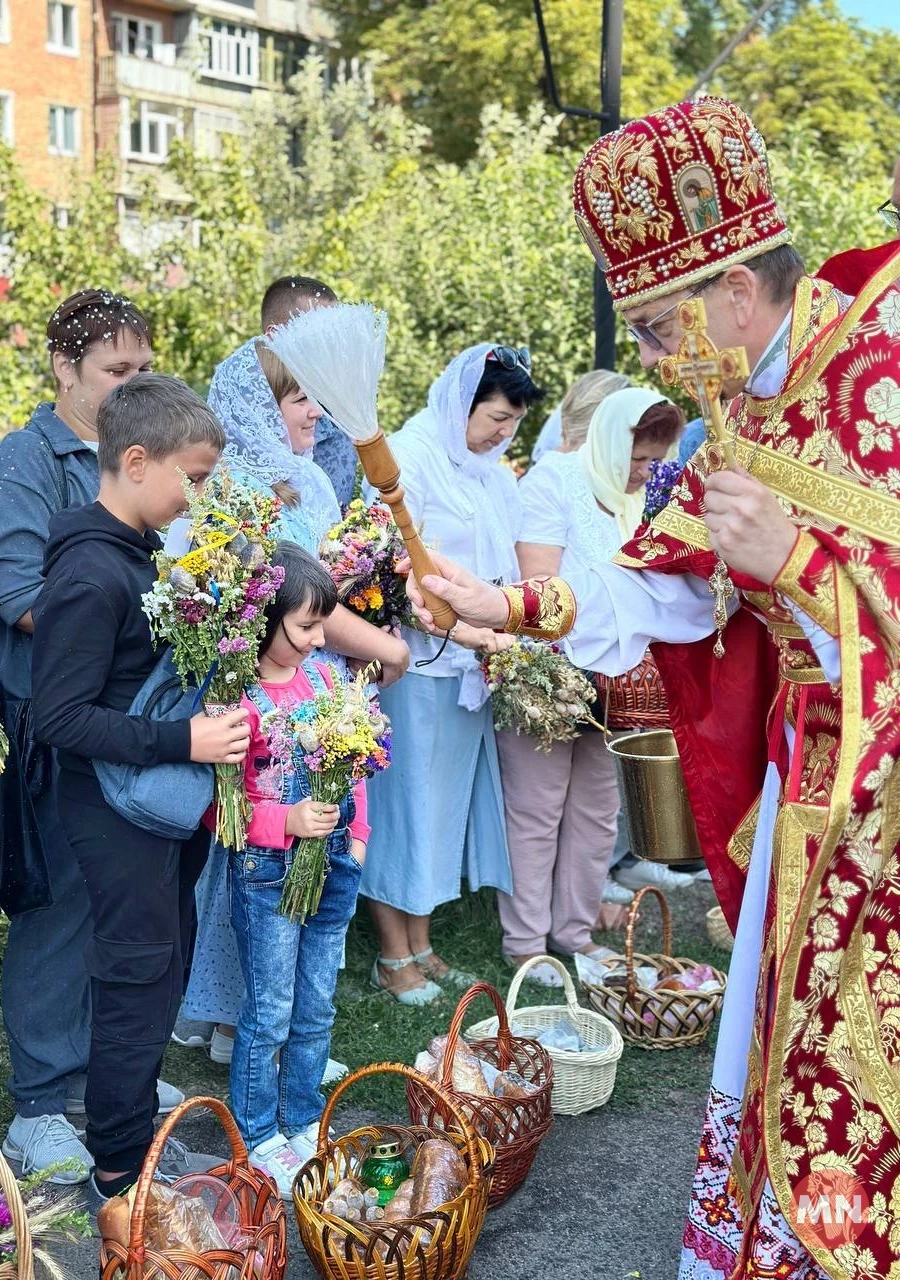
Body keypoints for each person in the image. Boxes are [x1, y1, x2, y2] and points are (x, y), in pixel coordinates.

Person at [406, 96, 900, 1278]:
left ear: (736, 286)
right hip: (814, 801)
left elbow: (809, 572)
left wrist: (799, 564)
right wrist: (506, 609)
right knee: (787, 1052)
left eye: (656, 323)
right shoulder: (729, 415)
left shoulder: (887, 361)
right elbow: (659, 595)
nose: (652, 358)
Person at [0, 289, 183, 1181]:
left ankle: (111, 1073)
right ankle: (38, 1104)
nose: (132, 384)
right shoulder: (23, 463)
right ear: (64, 368)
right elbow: (22, 599)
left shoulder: (135, 455)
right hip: (53, 729)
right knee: (59, 911)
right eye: (114, 371)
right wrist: (151, 612)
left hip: (130, 724)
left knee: (122, 907)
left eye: (143, 370)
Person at [31, 374, 251, 1208]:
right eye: (190, 479)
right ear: (133, 458)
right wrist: (182, 738)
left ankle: (129, 1126)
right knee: (135, 976)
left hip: (160, 805)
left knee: (164, 970)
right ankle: (120, 1171)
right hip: (114, 809)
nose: (196, 497)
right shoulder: (92, 573)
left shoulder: (140, 554)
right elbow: (59, 717)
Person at [184, 322, 408, 1061]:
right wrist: (382, 645)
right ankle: (246, 1021)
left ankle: (269, 1018)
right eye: (299, 398)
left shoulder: (301, 473)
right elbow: (289, 596)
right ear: (256, 404)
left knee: (315, 827)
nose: (316, 413)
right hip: (272, 685)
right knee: (264, 840)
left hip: (314, 675)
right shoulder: (239, 489)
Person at [360, 343, 542, 1004]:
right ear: (459, 404)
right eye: (495, 417)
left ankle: (422, 943)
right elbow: (383, 562)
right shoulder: (409, 456)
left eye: (513, 424)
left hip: (472, 661)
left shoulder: (492, 472)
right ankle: (390, 954)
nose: (502, 434)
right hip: (414, 661)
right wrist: (464, 626)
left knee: (441, 811)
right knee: (404, 804)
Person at [498, 384, 683, 986]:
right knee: (536, 809)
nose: (647, 472)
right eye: (640, 458)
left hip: (617, 683)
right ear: (610, 440)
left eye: (657, 460)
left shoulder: (638, 498)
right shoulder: (553, 480)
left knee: (599, 810)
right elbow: (538, 583)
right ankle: (525, 943)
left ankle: (573, 934)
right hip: (548, 674)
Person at [223, 540, 369, 1191]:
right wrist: (285, 822)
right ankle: (256, 1133)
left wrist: (356, 835)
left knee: (316, 1005)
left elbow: (356, 763)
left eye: (321, 625)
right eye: (305, 625)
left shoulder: (327, 680)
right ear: (266, 617)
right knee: (273, 1009)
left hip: (334, 866)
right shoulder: (239, 696)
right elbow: (222, 808)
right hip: (269, 874)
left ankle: (304, 1116)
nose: (317, 639)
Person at [256, 275, 359, 507]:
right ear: (275, 335)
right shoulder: (239, 425)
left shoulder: (341, 414)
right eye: (319, 335)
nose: (330, 346)